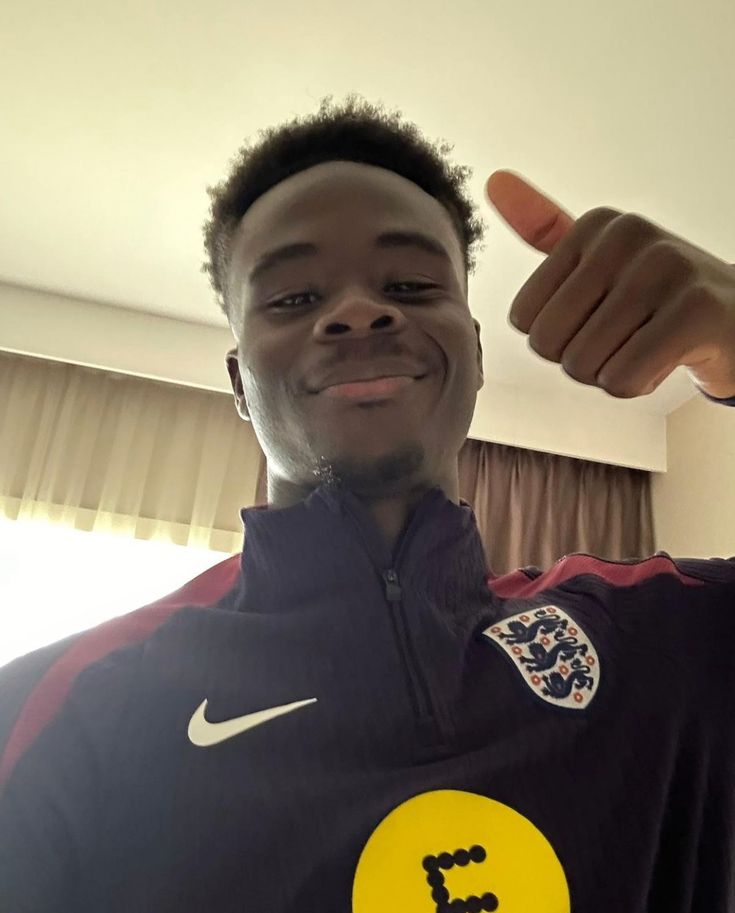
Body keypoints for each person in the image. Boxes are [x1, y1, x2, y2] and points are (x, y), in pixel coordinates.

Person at [1, 93, 734, 913]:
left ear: (476, 353)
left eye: (412, 283)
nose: (357, 310)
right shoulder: (61, 713)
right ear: (241, 383)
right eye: (292, 298)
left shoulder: (667, 637)